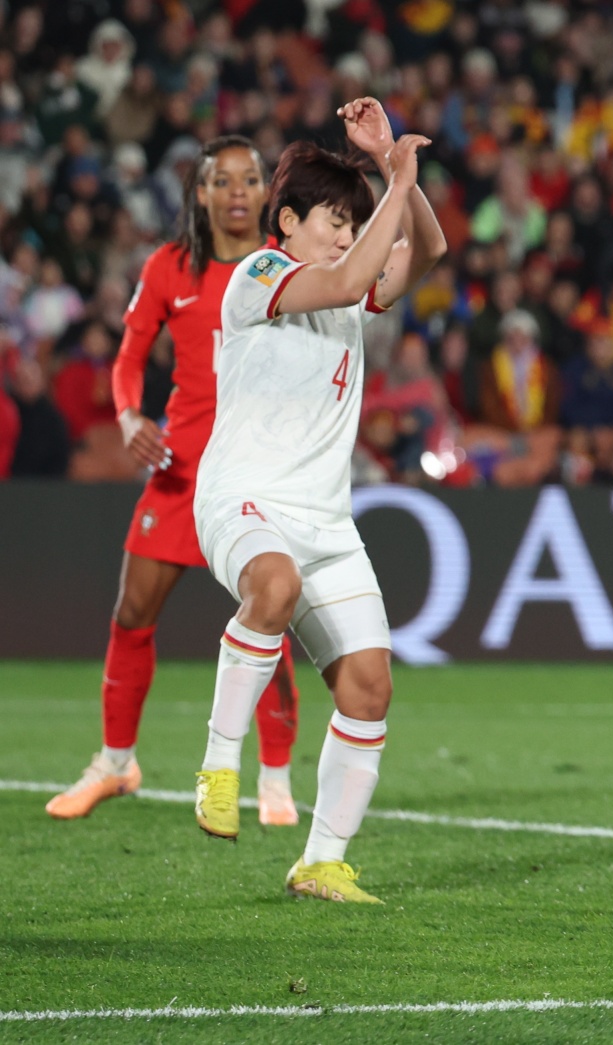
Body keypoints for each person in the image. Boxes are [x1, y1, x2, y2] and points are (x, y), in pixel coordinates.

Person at [191, 97, 445, 904]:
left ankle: (323, 860)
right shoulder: (257, 275)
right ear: (288, 221)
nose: (344, 232)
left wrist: (397, 176)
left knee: (370, 684)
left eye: (353, 221)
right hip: (244, 501)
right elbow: (345, 272)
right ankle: (219, 763)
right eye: (334, 218)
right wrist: (389, 176)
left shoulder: (347, 297)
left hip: (326, 523)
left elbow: (430, 250)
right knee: (274, 586)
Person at [46, 136, 305, 828]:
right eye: (225, 180)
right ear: (202, 192)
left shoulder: (286, 268)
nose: (240, 191)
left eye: (252, 179)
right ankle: (114, 760)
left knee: (268, 621)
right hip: (182, 465)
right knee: (132, 612)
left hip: (254, 471)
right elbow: (129, 354)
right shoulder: (170, 267)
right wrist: (130, 414)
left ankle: (274, 777)